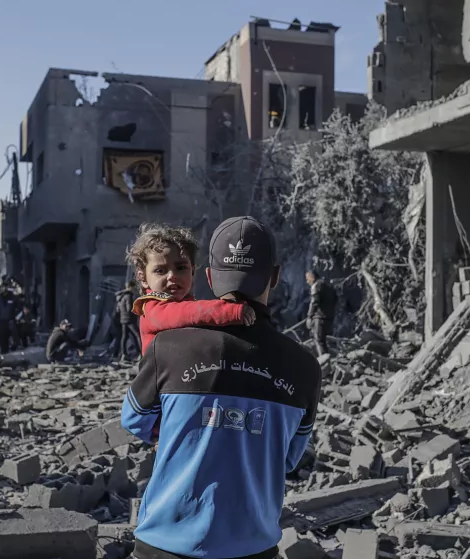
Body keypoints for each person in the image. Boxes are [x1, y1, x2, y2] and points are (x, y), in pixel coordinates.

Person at [121, 216, 323, 559]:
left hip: (165, 545)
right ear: (274, 277)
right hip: (252, 546)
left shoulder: (168, 348)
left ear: (209, 277)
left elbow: (135, 422)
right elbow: (288, 459)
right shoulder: (305, 369)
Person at [127, 223, 254, 356]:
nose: (172, 276)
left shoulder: (187, 303)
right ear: (143, 278)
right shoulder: (152, 308)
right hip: (162, 376)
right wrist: (230, 311)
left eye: (181, 268)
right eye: (160, 270)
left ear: (192, 272)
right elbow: (185, 313)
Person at [305, 270, 337, 357]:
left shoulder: (316, 286)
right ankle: (327, 358)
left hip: (319, 317)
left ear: (312, 278)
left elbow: (314, 302)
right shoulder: (328, 285)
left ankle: (324, 362)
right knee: (323, 340)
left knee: (318, 340)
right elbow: (335, 299)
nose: (307, 282)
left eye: (308, 279)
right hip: (329, 317)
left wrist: (309, 316)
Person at [114, 281, 142, 362]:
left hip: (123, 319)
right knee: (137, 335)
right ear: (130, 287)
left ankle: (124, 355)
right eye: (134, 287)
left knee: (124, 337)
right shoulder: (129, 296)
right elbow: (129, 308)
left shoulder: (121, 296)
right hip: (130, 319)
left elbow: (118, 309)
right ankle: (141, 354)